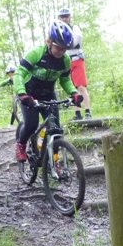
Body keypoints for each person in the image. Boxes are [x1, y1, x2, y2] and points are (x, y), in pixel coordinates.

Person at [13, 20, 83, 162]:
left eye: (64, 49)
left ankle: (53, 161)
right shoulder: (36, 53)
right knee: (31, 124)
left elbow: (65, 80)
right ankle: (21, 144)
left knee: (55, 130)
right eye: (58, 48)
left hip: (48, 95)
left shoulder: (65, 60)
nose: (61, 52)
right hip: (29, 94)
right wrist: (22, 93)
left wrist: (74, 93)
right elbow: (18, 74)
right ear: (49, 42)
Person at [57, 8, 92, 120]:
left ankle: (87, 111)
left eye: (66, 16)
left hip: (76, 59)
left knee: (81, 86)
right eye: (62, 17)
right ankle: (77, 113)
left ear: (69, 17)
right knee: (71, 88)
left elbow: (75, 40)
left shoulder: (74, 28)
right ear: (59, 18)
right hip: (66, 61)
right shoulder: (58, 30)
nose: (64, 18)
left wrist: (64, 44)